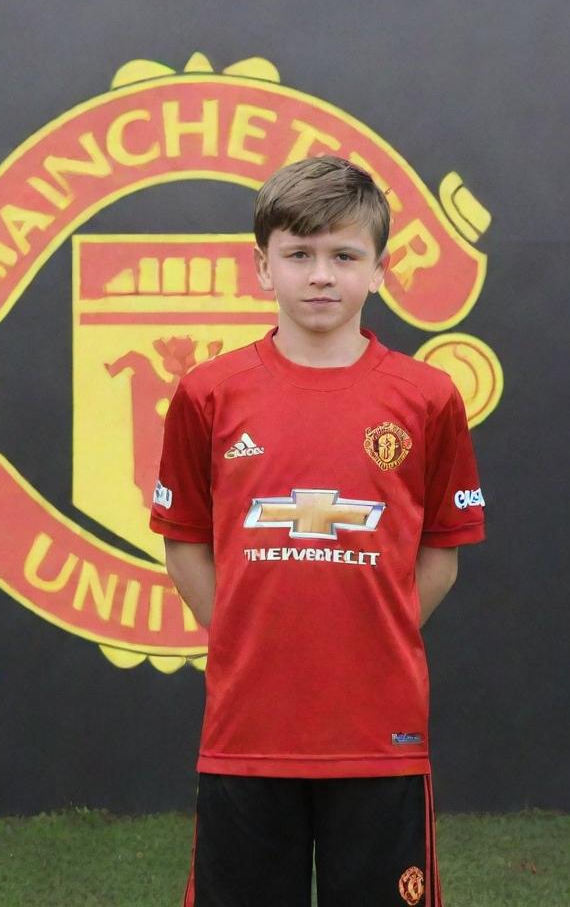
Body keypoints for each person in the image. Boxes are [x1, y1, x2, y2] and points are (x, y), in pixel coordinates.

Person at [149, 155, 486, 907]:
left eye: (344, 255)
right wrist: (244, 636)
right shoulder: (209, 393)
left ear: (378, 269)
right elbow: (185, 542)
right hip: (248, 730)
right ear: (263, 267)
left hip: (379, 733)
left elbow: (442, 556)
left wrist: (374, 631)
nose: (322, 276)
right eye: (299, 255)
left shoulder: (427, 398)